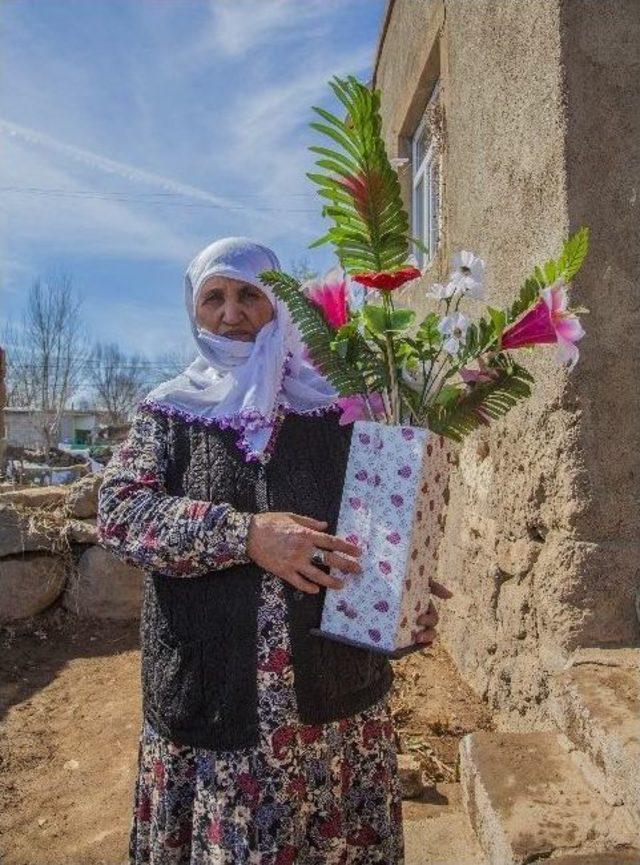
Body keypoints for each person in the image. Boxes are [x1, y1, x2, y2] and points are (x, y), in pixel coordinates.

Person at [97, 236, 450, 865]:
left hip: (331, 713)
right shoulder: (168, 414)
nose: (230, 312)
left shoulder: (331, 410)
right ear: (193, 309)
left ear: (278, 306)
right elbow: (121, 514)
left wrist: (401, 590)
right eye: (214, 297)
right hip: (212, 719)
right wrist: (247, 535)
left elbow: (372, 529)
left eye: (248, 295)